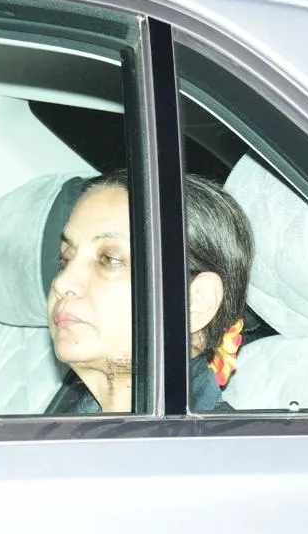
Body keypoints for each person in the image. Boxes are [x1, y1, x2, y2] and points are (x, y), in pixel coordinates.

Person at [44, 170, 253, 414]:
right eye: (65, 259)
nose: (62, 282)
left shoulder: (222, 450)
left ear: (195, 302)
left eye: (109, 259)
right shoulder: (63, 432)